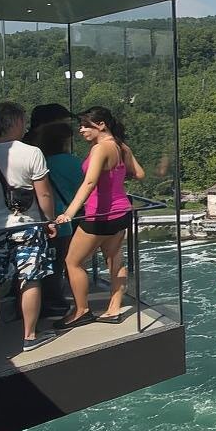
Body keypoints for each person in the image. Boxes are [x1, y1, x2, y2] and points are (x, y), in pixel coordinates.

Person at [0, 101, 58, 355]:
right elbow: (44, 194)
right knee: (30, 277)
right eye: (23, 121)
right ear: (15, 122)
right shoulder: (32, 153)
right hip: (28, 225)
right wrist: (49, 220)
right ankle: (30, 336)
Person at [54, 106, 145, 329]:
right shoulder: (121, 146)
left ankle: (82, 311)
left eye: (86, 125)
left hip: (98, 215)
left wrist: (68, 213)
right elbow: (139, 173)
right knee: (114, 260)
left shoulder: (99, 149)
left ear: (101, 125)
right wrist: (116, 176)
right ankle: (114, 309)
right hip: (121, 212)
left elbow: (89, 182)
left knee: (72, 262)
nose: (81, 130)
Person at [23, 103, 80, 319]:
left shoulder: (35, 157)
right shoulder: (70, 162)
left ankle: (34, 305)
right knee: (59, 263)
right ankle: (54, 304)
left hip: (32, 219)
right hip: (60, 221)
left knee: (36, 265)